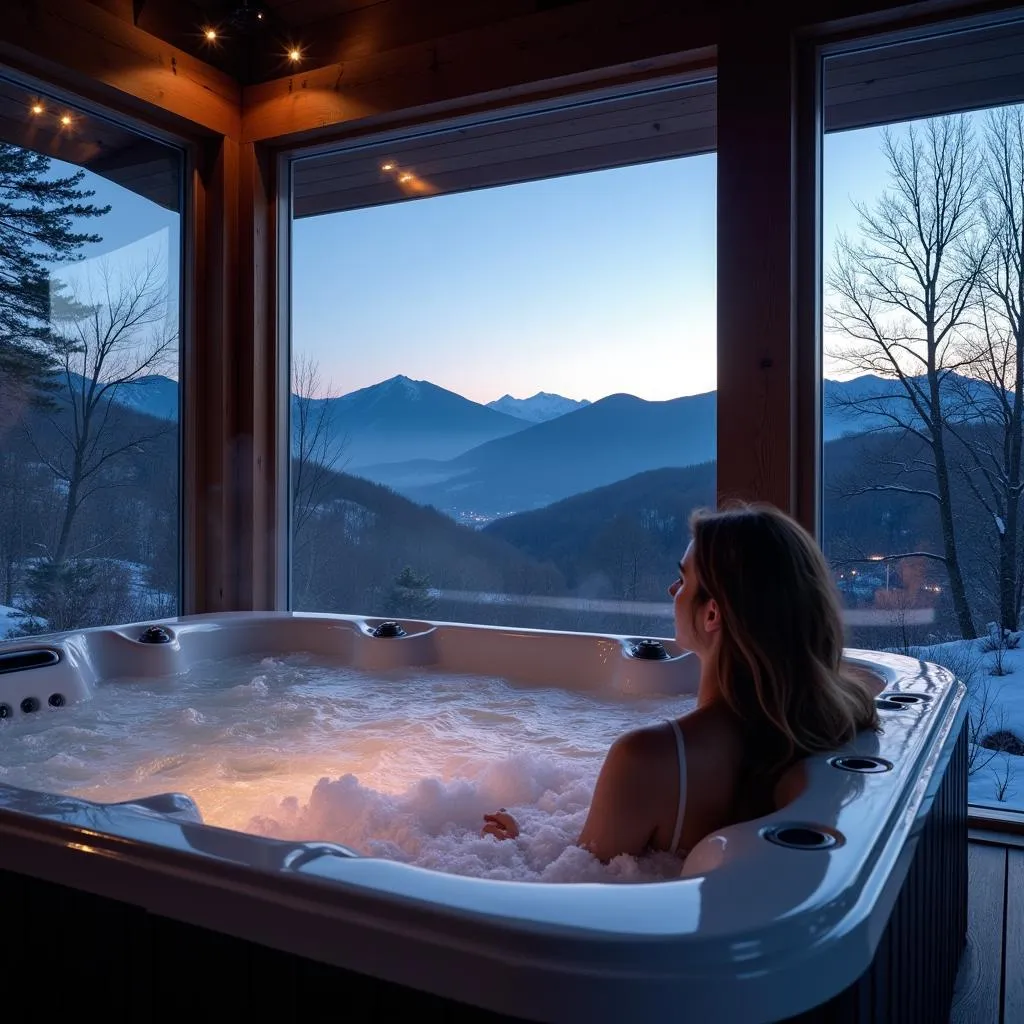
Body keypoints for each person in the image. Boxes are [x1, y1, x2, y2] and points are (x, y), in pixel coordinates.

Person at [481, 503, 880, 861]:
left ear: (712, 615)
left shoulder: (647, 758)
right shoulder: (836, 717)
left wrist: (517, 846)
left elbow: (571, 888)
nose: (673, 591)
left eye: (683, 580)